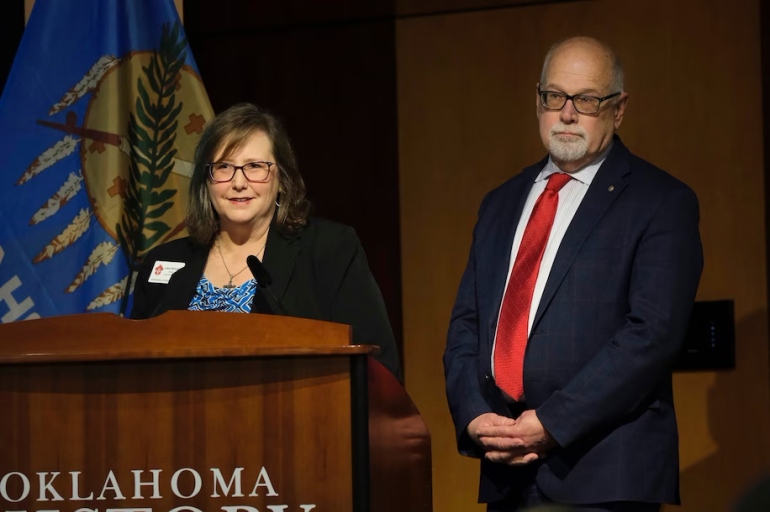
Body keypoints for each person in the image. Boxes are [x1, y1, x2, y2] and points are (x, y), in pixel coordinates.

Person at [443, 36, 703, 511]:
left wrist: (552, 423)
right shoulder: (500, 202)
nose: (566, 113)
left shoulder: (661, 201)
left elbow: (652, 335)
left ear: (618, 109)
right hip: (506, 472)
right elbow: (467, 324)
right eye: (554, 97)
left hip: (603, 474)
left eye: (585, 100)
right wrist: (474, 414)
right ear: (537, 99)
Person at [130, 102, 401, 381]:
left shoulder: (329, 250)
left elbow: (379, 366)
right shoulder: (163, 262)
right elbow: (131, 366)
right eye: (224, 167)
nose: (238, 182)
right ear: (206, 181)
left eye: (255, 167)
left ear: (282, 179)